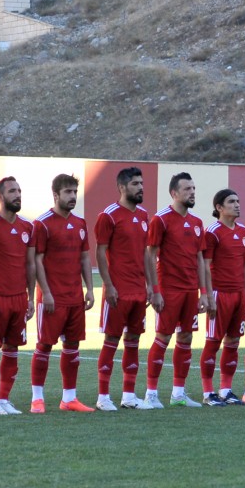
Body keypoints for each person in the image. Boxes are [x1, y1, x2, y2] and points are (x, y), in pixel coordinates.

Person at [143, 172, 207, 408]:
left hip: (190, 290)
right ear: (174, 193)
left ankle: (178, 393)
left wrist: (203, 292)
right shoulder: (161, 219)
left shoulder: (197, 222)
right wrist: (154, 289)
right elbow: (150, 255)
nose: (192, 193)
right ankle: (151, 394)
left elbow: (200, 259)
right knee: (163, 338)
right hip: (169, 289)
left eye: (193, 188)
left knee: (186, 337)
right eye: (187, 189)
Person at [32, 174, 96, 413]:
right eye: (68, 192)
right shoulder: (43, 223)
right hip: (51, 298)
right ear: (56, 195)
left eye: (74, 192)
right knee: (44, 346)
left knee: (72, 346)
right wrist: (45, 292)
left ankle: (69, 398)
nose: (72, 197)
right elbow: (36, 260)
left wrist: (89, 289)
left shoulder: (80, 224)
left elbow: (84, 257)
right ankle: (37, 398)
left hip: (74, 297)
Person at [94, 167, 150, 411]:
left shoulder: (144, 215)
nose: (140, 187)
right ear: (122, 187)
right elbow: (100, 253)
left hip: (139, 289)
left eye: (141, 183)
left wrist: (150, 286)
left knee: (134, 340)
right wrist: (108, 285)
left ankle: (129, 396)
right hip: (118, 289)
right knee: (111, 340)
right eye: (135, 184)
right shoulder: (108, 215)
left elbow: (146, 255)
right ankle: (103, 397)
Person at [0, 177, 34, 415]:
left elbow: (30, 265)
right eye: (12, 191)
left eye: (19, 191)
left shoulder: (27, 227)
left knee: (12, 349)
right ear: (1, 197)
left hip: (19, 298)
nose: (17, 195)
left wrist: (30, 297)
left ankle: (4, 399)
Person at [201, 189, 245, 405]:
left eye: (238, 201)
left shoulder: (243, 231)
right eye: (231, 201)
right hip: (219, 294)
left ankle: (226, 390)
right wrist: (209, 295)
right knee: (213, 342)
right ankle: (208, 392)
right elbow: (205, 265)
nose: (237, 205)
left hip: (239, 294)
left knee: (233, 342)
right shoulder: (212, 232)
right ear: (219, 208)